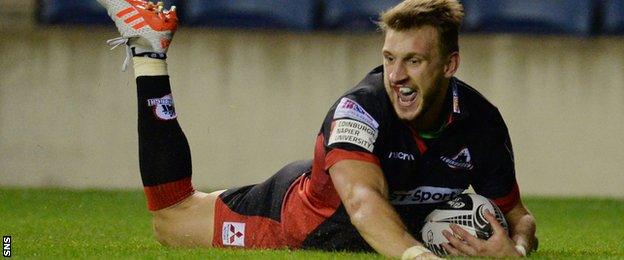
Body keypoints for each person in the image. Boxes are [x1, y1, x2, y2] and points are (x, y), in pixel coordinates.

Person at [97, 0, 538, 259]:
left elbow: (519, 216)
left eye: (414, 61)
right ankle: (149, 52)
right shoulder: (359, 109)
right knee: (170, 219)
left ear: (449, 65)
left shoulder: (480, 120)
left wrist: (513, 251)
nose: (396, 75)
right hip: (297, 217)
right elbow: (363, 204)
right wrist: (418, 255)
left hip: (344, 194)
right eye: (389, 58)